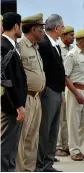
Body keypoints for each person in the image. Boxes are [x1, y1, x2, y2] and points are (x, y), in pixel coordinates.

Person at [15, 13, 46, 172]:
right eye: (41, 27)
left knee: (32, 139)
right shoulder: (19, 46)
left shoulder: (35, 47)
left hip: (36, 98)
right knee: (22, 138)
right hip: (25, 98)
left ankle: (29, 170)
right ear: (34, 29)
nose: (43, 31)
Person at [35, 14, 65, 172]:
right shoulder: (43, 43)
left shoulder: (55, 45)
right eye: (62, 27)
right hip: (48, 92)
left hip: (57, 92)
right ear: (56, 28)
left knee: (53, 130)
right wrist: (46, 90)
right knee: (44, 131)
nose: (63, 30)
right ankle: (39, 165)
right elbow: (42, 69)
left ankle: (48, 163)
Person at [1, 12, 27, 172]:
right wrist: (18, 105)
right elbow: (7, 80)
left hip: (14, 104)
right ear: (16, 26)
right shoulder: (4, 46)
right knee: (6, 145)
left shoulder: (11, 45)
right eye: (21, 26)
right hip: (11, 105)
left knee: (12, 145)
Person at [64, 29, 84, 161]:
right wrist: (76, 93)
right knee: (73, 122)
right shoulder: (72, 55)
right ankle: (74, 150)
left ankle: (72, 145)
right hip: (75, 90)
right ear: (82, 40)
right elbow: (66, 76)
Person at [56, 25, 74, 157]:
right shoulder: (57, 48)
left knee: (68, 119)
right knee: (60, 118)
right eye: (70, 34)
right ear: (63, 35)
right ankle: (58, 146)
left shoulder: (73, 50)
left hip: (71, 88)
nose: (73, 37)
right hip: (61, 87)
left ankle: (66, 145)